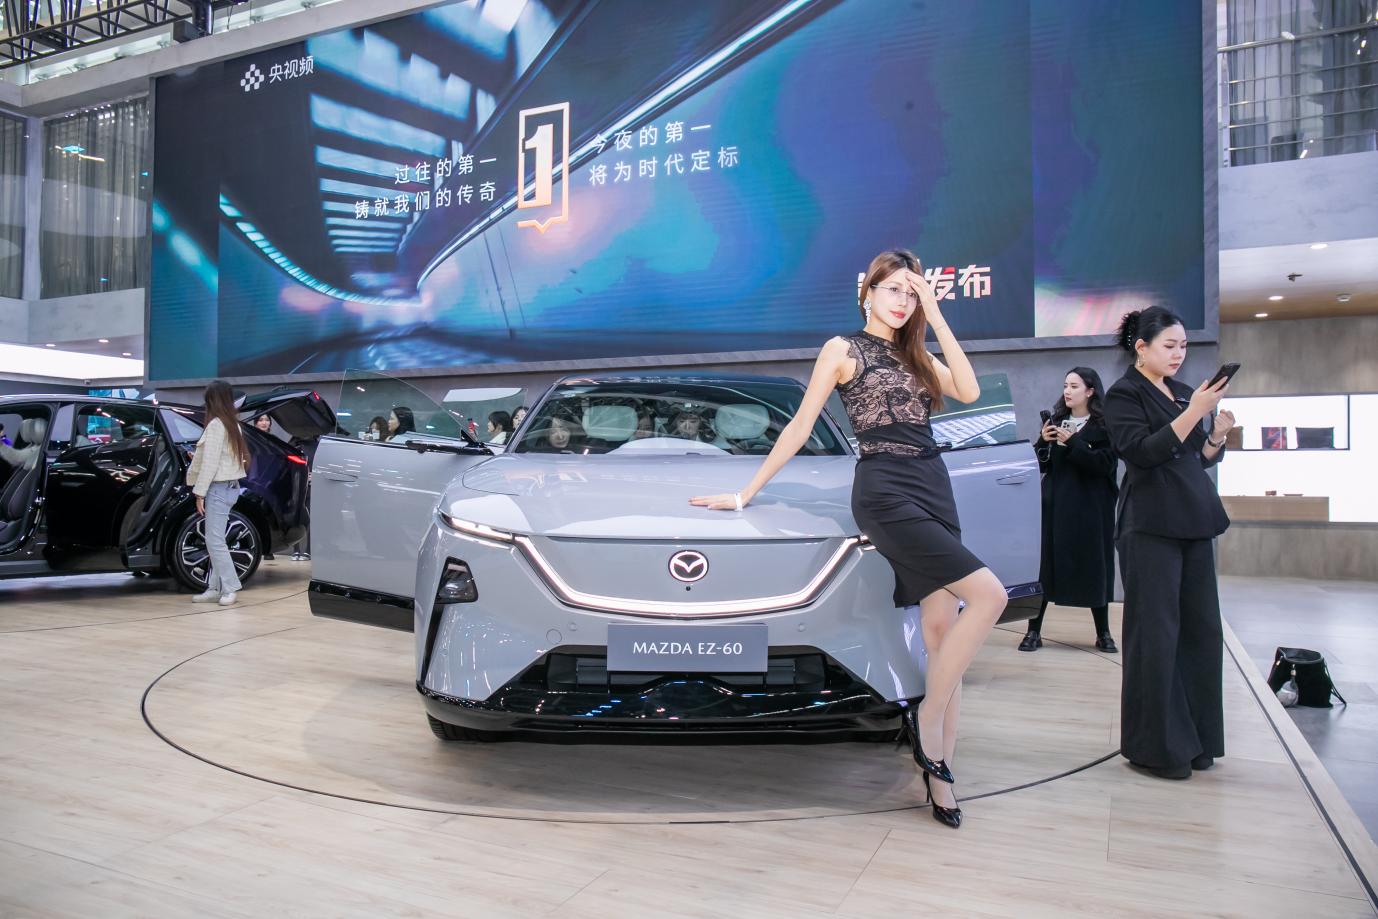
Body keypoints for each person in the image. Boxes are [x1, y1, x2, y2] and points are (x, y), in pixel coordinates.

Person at [691, 248, 1004, 829]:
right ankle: (927, 725)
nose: (902, 300)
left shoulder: (915, 353)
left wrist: (936, 316)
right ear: (868, 293)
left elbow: (969, 391)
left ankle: (940, 777)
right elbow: (801, 424)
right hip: (885, 490)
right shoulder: (843, 349)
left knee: (942, 633)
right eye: (893, 289)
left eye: (911, 292)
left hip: (934, 485)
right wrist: (745, 493)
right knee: (990, 595)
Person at [1103, 306, 1235, 780]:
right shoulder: (1123, 394)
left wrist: (1215, 436)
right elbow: (1142, 452)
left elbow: (1194, 458)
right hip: (1150, 525)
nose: (1179, 354)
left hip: (1193, 520)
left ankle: (1197, 741)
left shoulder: (1181, 392)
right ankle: (1156, 749)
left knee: (1202, 632)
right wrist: (1196, 411)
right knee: (1155, 636)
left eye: (1183, 346)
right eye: (1169, 345)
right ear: (1141, 348)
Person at [1019, 368, 1119, 653]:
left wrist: (1074, 442)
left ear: (1090, 390)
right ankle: (1033, 631)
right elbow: (1040, 465)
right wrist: (1043, 440)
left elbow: (1105, 465)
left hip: (1092, 509)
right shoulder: (1056, 421)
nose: (1067, 391)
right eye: (1065, 385)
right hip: (1056, 506)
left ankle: (1103, 633)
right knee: (1046, 568)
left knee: (1095, 566)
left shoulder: (1105, 426)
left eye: (1074, 386)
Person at [187, 380, 251, 606]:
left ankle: (230, 587)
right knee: (216, 540)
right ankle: (215, 588)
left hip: (218, 488)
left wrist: (199, 493)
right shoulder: (232, 424)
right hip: (229, 487)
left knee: (214, 541)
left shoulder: (216, 425)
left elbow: (211, 463)